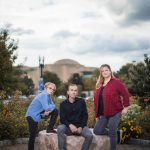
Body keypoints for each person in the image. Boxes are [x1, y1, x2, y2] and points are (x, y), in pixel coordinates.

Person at [93, 64, 129, 150]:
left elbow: (125, 94)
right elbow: (97, 101)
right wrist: (97, 115)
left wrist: (126, 107)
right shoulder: (99, 85)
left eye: (106, 70)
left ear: (110, 71)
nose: (104, 72)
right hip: (104, 114)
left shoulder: (116, 82)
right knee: (97, 130)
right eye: (102, 71)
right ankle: (117, 133)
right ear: (101, 73)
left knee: (112, 132)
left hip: (115, 112)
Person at [57, 84, 93, 150]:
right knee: (60, 128)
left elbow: (85, 116)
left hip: (80, 128)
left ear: (77, 92)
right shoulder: (63, 104)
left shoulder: (81, 101)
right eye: (72, 90)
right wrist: (70, 125)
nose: (73, 92)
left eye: (75, 90)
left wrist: (81, 127)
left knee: (89, 135)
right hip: (68, 128)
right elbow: (62, 119)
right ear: (68, 92)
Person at [26, 82, 58, 150]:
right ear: (45, 88)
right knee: (32, 135)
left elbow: (53, 106)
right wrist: (48, 109)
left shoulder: (48, 96)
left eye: (53, 89)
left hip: (39, 114)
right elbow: (47, 107)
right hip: (32, 115)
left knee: (55, 111)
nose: (51, 90)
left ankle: (50, 128)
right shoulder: (43, 95)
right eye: (50, 88)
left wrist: (48, 109)